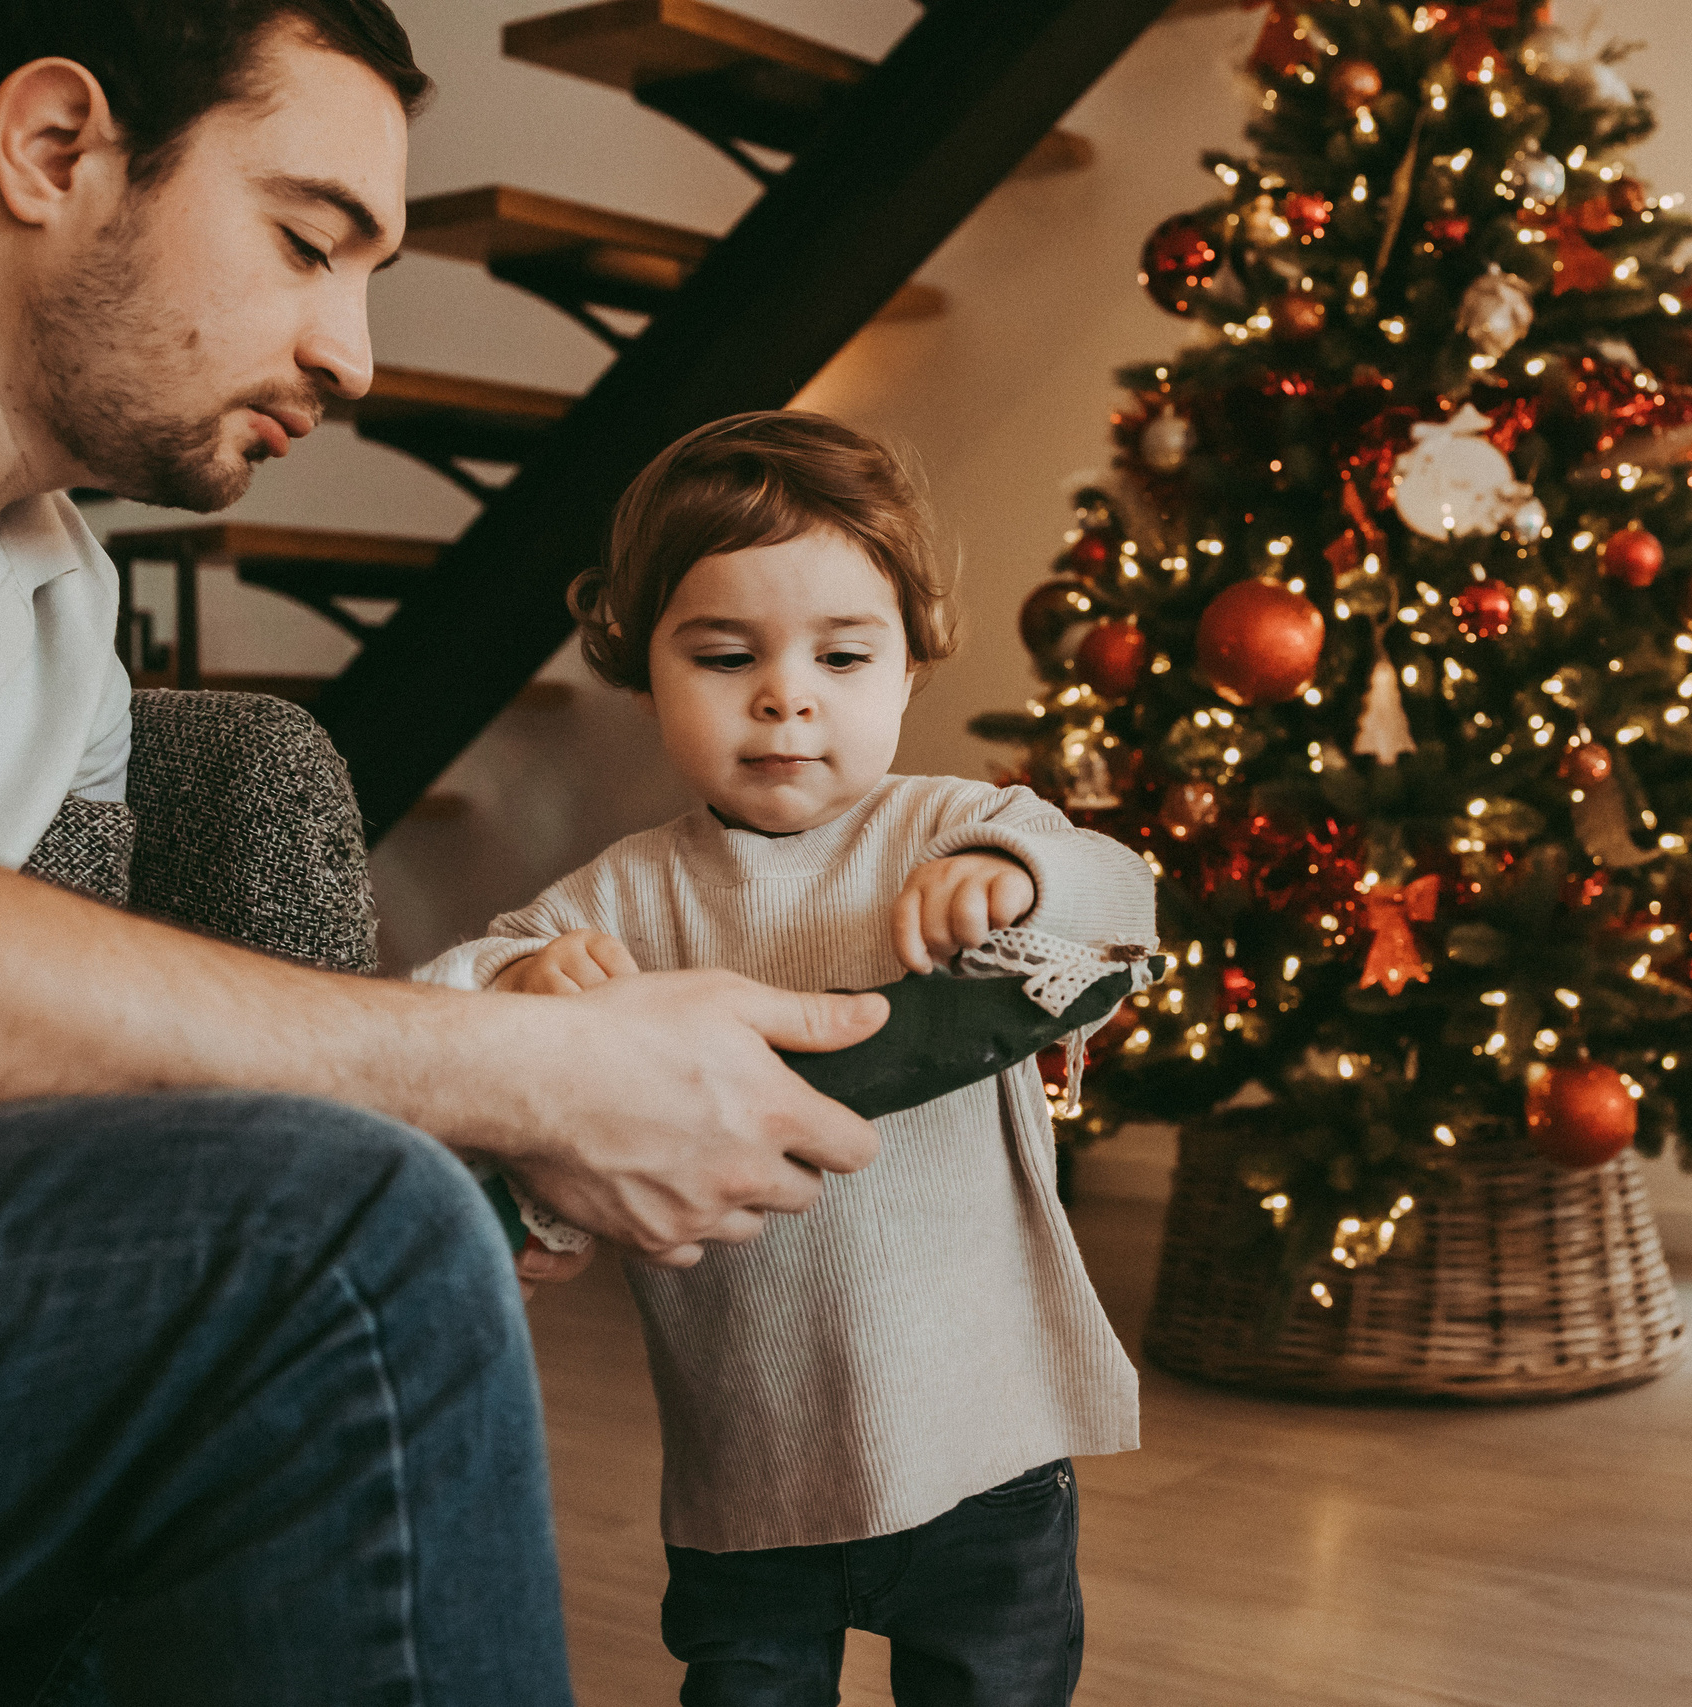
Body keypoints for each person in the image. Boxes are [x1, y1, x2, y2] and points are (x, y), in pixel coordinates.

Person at [0, 3, 888, 1702]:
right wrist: (493, 1073)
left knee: (365, 1224)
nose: (353, 357)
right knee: (329, 1241)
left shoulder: (62, 609)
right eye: (309, 243)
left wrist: (494, 1110)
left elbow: (27, 1089)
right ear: (54, 147)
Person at [412, 411, 1153, 1707]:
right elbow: (445, 1007)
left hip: (984, 1439)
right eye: (724, 654)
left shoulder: (952, 828)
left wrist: (1015, 877)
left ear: (910, 669)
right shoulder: (623, 900)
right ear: (645, 669)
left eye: (843, 654)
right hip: (752, 1462)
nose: (786, 695)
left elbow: (1117, 892)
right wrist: (518, 981)